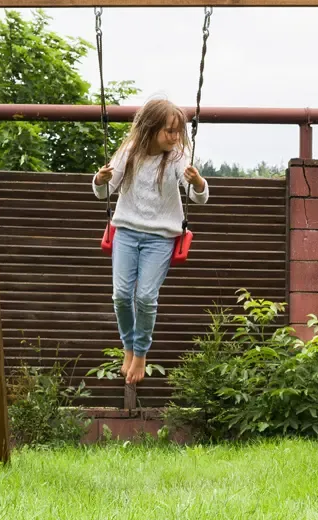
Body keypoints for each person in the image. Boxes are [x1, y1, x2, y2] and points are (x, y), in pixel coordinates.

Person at [93, 98, 209, 385]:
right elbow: (105, 191)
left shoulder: (177, 157)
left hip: (161, 237)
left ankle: (141, 353)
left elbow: (198, 197)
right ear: (151, 128)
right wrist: (99, 179)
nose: (175, 137)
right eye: (169, 131)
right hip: (126, 232)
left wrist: (198, 183)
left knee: (145, 297)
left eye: (178, 131)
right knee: (120, 295)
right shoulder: (129, 152)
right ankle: (129, 347)